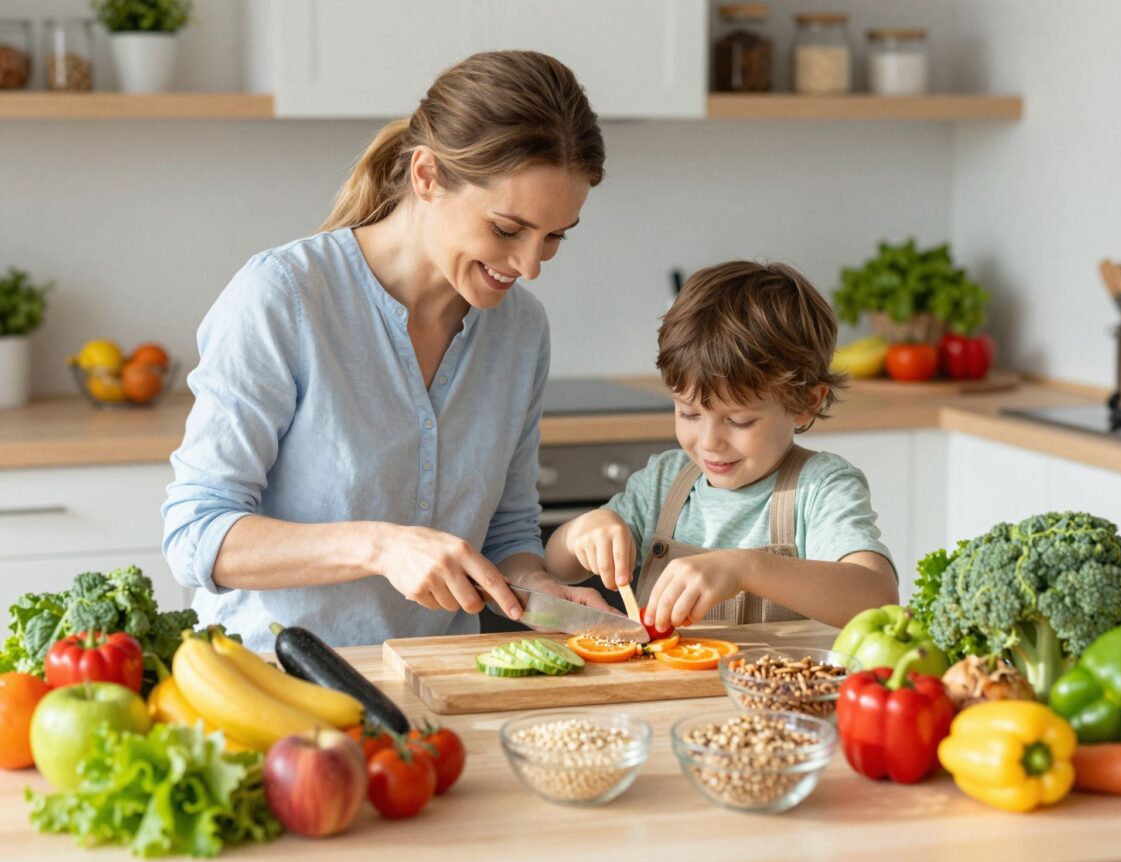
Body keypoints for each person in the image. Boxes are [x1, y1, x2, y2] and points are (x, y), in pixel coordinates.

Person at [163, 51, 609, 650]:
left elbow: (508, 530)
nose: (529, 265)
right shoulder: (284, 297)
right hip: (271, 691)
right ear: (425, 176)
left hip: (433, 692)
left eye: (554, 236)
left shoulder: (521, 331)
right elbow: (195, 535)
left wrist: (536, 587)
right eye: (506, 229)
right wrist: (381, 546)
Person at [545, 261, 899, 631]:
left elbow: (877, 599)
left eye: (739, 420)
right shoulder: (664, 482)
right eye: (689, 413)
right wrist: (582, 531)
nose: (709, 441)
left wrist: (745, 568)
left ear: (805, 403)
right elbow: (558, 566)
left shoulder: (820, 488)